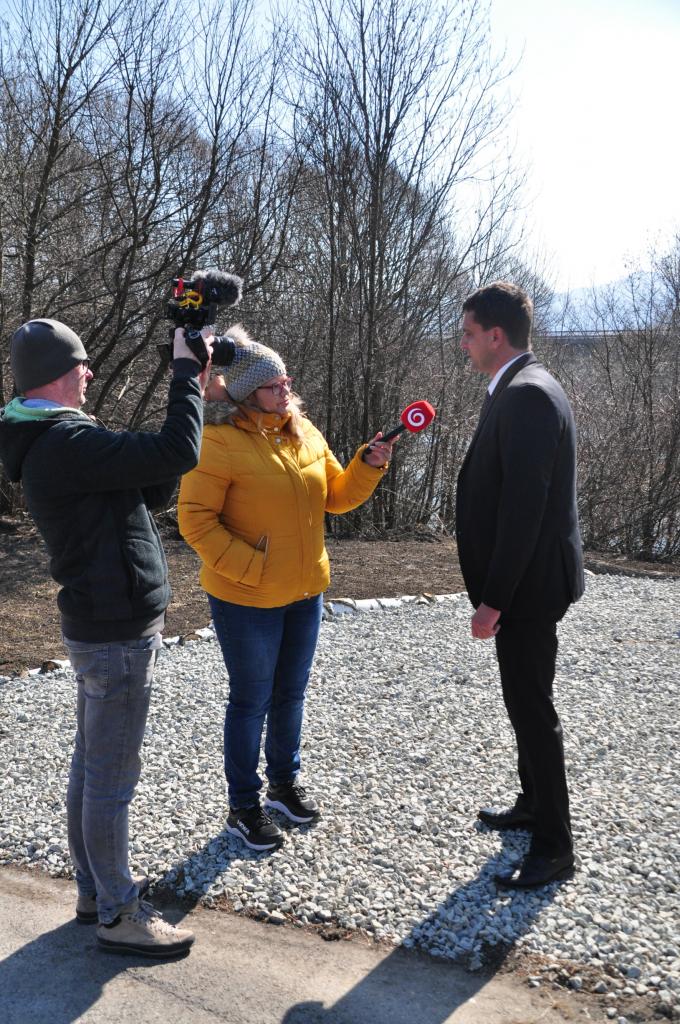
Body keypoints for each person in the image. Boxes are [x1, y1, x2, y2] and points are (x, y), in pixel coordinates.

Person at [0, 317, 213, 956]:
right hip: (115, 632)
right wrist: (186, 376)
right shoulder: (65, 441)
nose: (90, 373)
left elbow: (153, 481)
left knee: (93, 768)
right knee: (111, 778)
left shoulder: (57, 437)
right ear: (59, 374)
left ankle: (96, 893)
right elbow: (180, 451)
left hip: (102, 624)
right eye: (82, 365)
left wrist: (186, 383)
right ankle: (120, 914)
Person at [178, 325, 395, 851]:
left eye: (285, 381)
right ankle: (243, 805)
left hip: (304, 593)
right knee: (251, 701)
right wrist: (253, 568)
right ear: (247, 392)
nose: (285, 390)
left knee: (290, 694)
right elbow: (195, 522)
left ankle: (282, 785)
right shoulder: (218, 441)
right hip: (246, 598)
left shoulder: (304, 431)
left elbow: (336, 497)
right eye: (273, 384)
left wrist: (367, 465)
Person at [456, 281, 585, 888]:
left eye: (468, 334)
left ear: (495, 335)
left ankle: (555, 846)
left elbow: (524, 511)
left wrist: (494, 600)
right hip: (530, 584)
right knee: (524, 702)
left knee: (532, 709)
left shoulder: (528, 394)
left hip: (528, 590)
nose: (463, 344)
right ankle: (533, 804)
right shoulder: (522, 385)